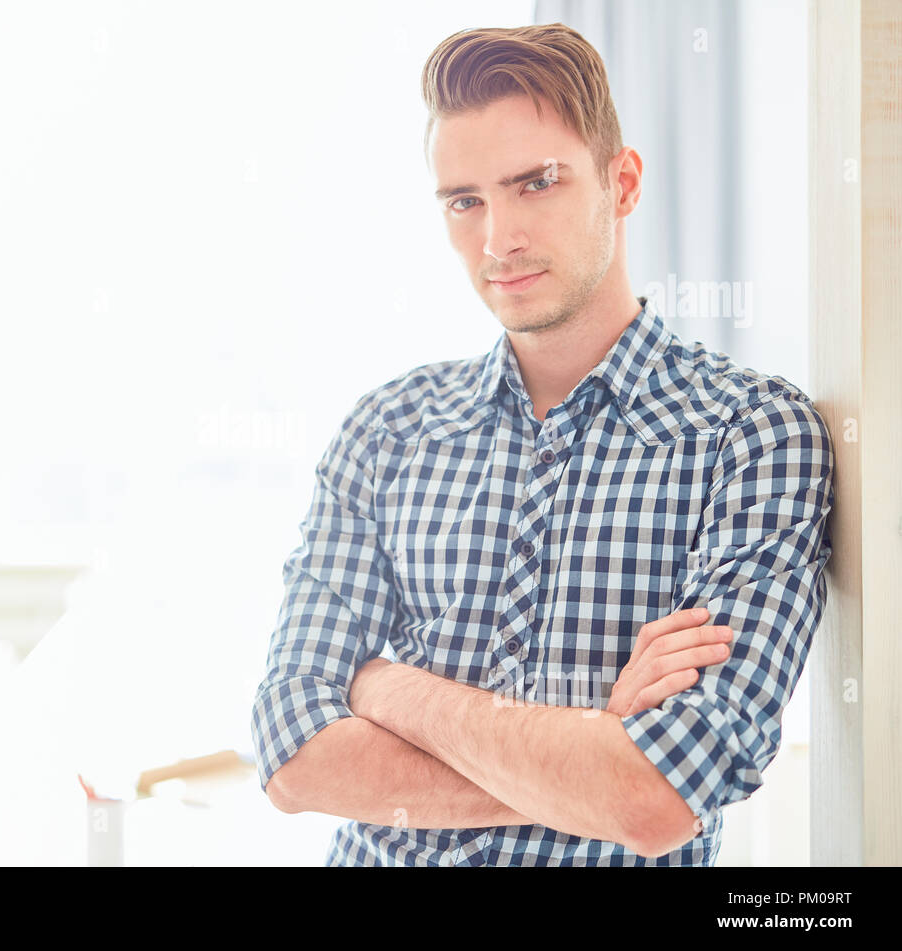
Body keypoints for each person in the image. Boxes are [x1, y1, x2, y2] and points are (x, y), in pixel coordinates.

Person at [249, 22, 835, 866]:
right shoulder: (387, 432)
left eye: (536, 184)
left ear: (622, 182)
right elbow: (292, 757)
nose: (499, 240)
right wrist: (594, 747)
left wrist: (384, 687)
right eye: (466, 202)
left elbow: (658, 797)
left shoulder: (753, 438)